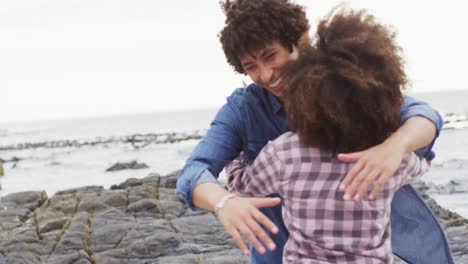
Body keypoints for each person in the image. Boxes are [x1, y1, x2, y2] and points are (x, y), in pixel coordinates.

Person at [176, 0, 451, 263]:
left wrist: (395, 146)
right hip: (275, 250)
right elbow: (194, 171)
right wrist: (224, 202)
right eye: (250, 67)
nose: (266, 74)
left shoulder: (344, 80)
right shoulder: (244, 109)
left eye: (270, 56)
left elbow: (425, 116)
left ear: (297, 42)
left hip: (372, 240)